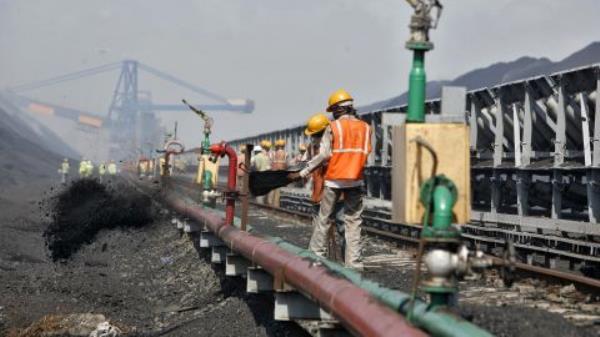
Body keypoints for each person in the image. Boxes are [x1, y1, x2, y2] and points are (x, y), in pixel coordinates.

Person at [288, 89, 371, 270]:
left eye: (332, 110)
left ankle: (315, 257)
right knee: (353, 223)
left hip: (334, 180)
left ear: (337, 109)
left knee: (323, 220)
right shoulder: (366, 127)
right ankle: (354, 264)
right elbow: (366, 153)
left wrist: (303, 172)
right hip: (356, 179)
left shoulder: (333, 127)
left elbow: (324, 154)